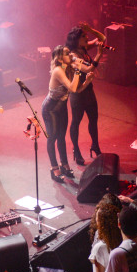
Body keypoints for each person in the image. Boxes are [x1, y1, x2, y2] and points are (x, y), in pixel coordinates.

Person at [41, 45, 94, 183]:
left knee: (61, 137)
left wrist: (87, 80)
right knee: (52, 138)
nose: (70, 54)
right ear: (59, 58)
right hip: (50, 109)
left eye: (69, 52)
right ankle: (54, 168)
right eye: (66, 53)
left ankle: (64, 165)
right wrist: (77, 70)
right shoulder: (58, 70)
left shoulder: (68, 69)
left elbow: (75, 90)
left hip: (62, 107)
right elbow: (71, 87)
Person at [66, 25, 106, 165]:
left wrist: (91, 30)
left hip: (88, 89)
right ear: (76, 40)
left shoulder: (83, 48)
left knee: (93, 119)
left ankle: (95, 145)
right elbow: (88, 68)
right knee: (76, 121)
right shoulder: (73, 56)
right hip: (78, 93)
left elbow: (102, 38)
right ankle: (76, 150)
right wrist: (99, 54)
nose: (87, 38)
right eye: (84, 36)